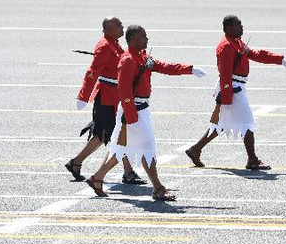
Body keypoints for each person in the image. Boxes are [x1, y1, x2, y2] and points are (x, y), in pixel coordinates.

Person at [86, 25, 206, 200]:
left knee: (120, 150)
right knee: (147, 148)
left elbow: (163, 66)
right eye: (143, 37)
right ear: (132, 40)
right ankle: (158, 188)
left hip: (140, 111)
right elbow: (124, 91)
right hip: (133, 113)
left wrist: (189, 69)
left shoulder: (142, 57)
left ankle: (97, 178)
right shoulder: (128, 60)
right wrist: (132, 117)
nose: (147, 39)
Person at [185, 15, 286, 169]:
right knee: (248, 122)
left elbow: (256, 54)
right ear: (229, 28)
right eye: (238, 25)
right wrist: (226, 96)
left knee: (221, 124)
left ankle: (195, 149)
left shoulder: (236, 43)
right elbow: (225, 73)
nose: (242, 27)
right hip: (232, 88)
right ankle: (252, 160)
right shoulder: (227, 46)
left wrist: (279, 60)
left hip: (235, 86)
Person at [65, 17, 144, 185]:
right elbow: (92, 72)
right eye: (118, 25)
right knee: (113, 135)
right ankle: (128, 172)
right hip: (106, 98)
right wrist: (83, 96)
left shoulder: (114, 44)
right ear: (108, 29)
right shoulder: (104, 46)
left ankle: (76, 163)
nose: (122, 27)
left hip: (114, 97)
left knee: (104, 136)